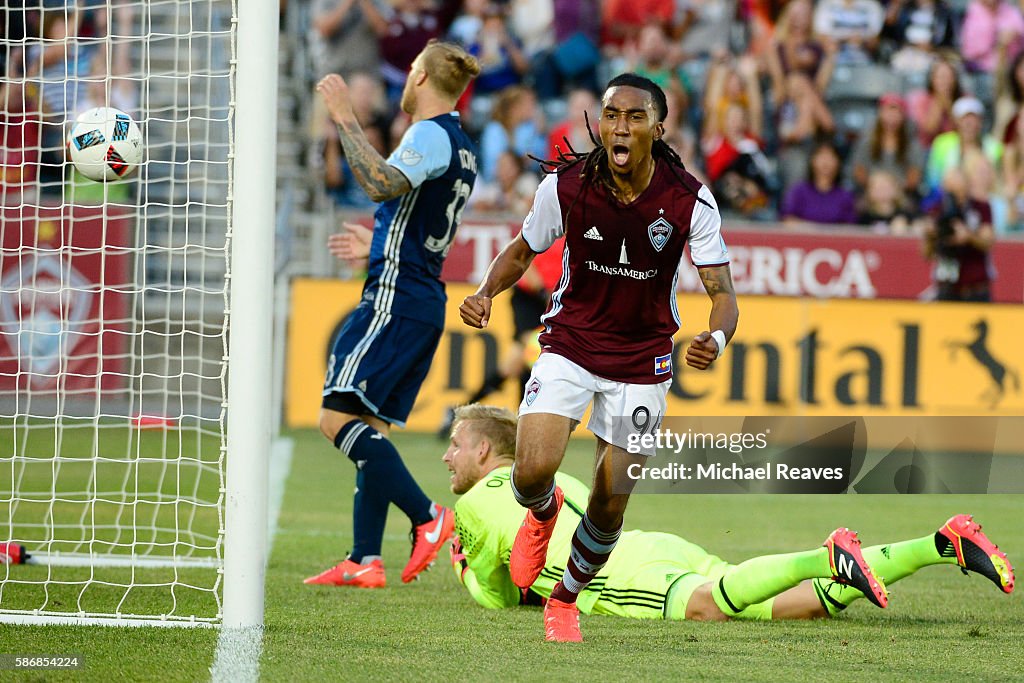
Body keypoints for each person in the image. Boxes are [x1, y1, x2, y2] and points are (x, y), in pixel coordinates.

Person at [459, 73, 740, 642]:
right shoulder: (566, 185)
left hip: (642, 359)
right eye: (612, 114)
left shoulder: (688, 199)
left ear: (657, 129)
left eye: (635, 117)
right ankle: (543, 512)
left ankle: (564, 601)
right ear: (600, 122)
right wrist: (486, 293)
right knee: (533, 469)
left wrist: (718, 337)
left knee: (611, 502)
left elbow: (722, 292)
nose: (620, 126)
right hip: (571, 343)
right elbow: (522, 249)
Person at [443, 405, 1015, 619]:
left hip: (615, 577)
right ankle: (941, 545)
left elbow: (501, 592)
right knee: (790, 610)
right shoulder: (552, 479)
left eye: (455, 444)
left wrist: (465, 565)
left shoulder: (474, 503)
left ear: (487, 451)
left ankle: (828, 555)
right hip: (648, 546)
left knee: (712, 608)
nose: (447, 457)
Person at [304, 40, 481, 589]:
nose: (405, 77)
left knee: (335, 419)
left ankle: (429, 517)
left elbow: (379, 182)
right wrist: (379, 242)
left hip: (396, 296)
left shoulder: (428, 134)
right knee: (371, 427)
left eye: (410, 69)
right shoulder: (463, 145)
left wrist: (342, 118)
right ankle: (364, 559)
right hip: (420, 296)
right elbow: (421, 216)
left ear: (423, 77)